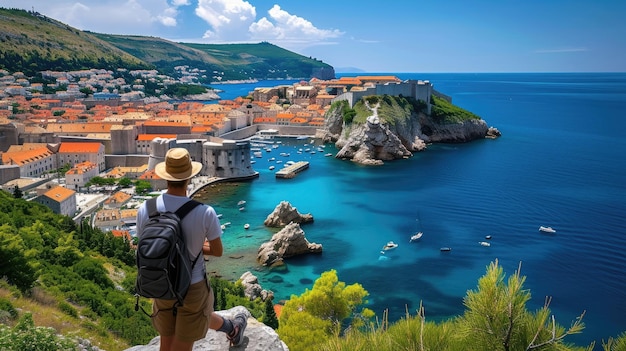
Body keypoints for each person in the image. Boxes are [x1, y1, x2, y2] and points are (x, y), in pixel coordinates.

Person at [136, 148, 248, 351]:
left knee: (166, 341)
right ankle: (233, 328)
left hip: (161, 281)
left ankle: (232, 327)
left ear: (165, 176)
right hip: (192, 285)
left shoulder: (146, 208)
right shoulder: (205, 212)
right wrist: (191, 248)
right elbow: (217, 251)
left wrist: (175, 249)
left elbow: (146, 244)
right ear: (189, 178)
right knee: (185, 339)